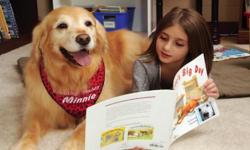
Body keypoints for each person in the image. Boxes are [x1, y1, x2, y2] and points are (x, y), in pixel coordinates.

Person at [132, 6, 219, 99]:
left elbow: (200, 103)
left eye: (179, 44)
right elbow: (137, 102)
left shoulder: (197, 67)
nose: (166, 47)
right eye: (163, 38)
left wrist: (210, 94)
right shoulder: (143, 65)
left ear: (192, 48)